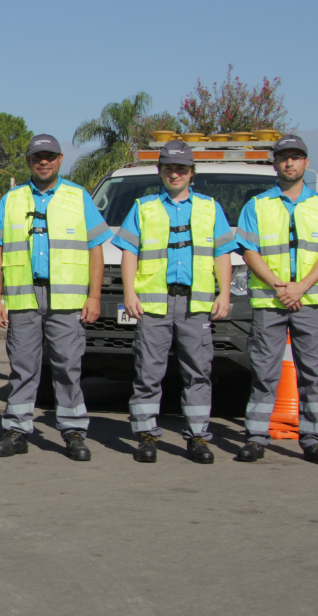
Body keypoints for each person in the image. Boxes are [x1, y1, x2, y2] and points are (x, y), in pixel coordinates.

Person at [0, 133, 111, 461]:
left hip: (66, 300)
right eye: (37, 156)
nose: (44, 161)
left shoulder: (78, 196)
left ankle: (72, 431)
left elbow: (95, 249)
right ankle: (16, 430)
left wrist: (94, 296)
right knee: (23, 366)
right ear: (28, 161)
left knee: (68, 366)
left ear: (59, 160)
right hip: (23, 296)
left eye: (50, 156)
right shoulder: (11, 200)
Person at [111, 140, 236, 464]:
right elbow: (129, 253)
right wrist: (129, 294)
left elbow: (223, 253)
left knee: (198, 372)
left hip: (195, 305)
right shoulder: (144, 208)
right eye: (169, 168)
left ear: (192, 172)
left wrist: (223, 293)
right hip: (154, 304)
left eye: (181, 168)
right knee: (148, 372)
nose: (175, 173)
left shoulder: (210, 208)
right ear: (160, 172)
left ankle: (197, 437)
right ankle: (146, 436)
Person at [234, 134, 318, 465]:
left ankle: (314, 439)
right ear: (275, 164)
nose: (289, 163)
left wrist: (300, 287)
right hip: (271, 303)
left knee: (312, 373)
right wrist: (280, 287)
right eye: (283, 157)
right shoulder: (256, 205)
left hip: (310, 301)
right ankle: (256, 437)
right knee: (263, 372)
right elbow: (249, 251)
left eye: (296, 157)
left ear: (306, 163)